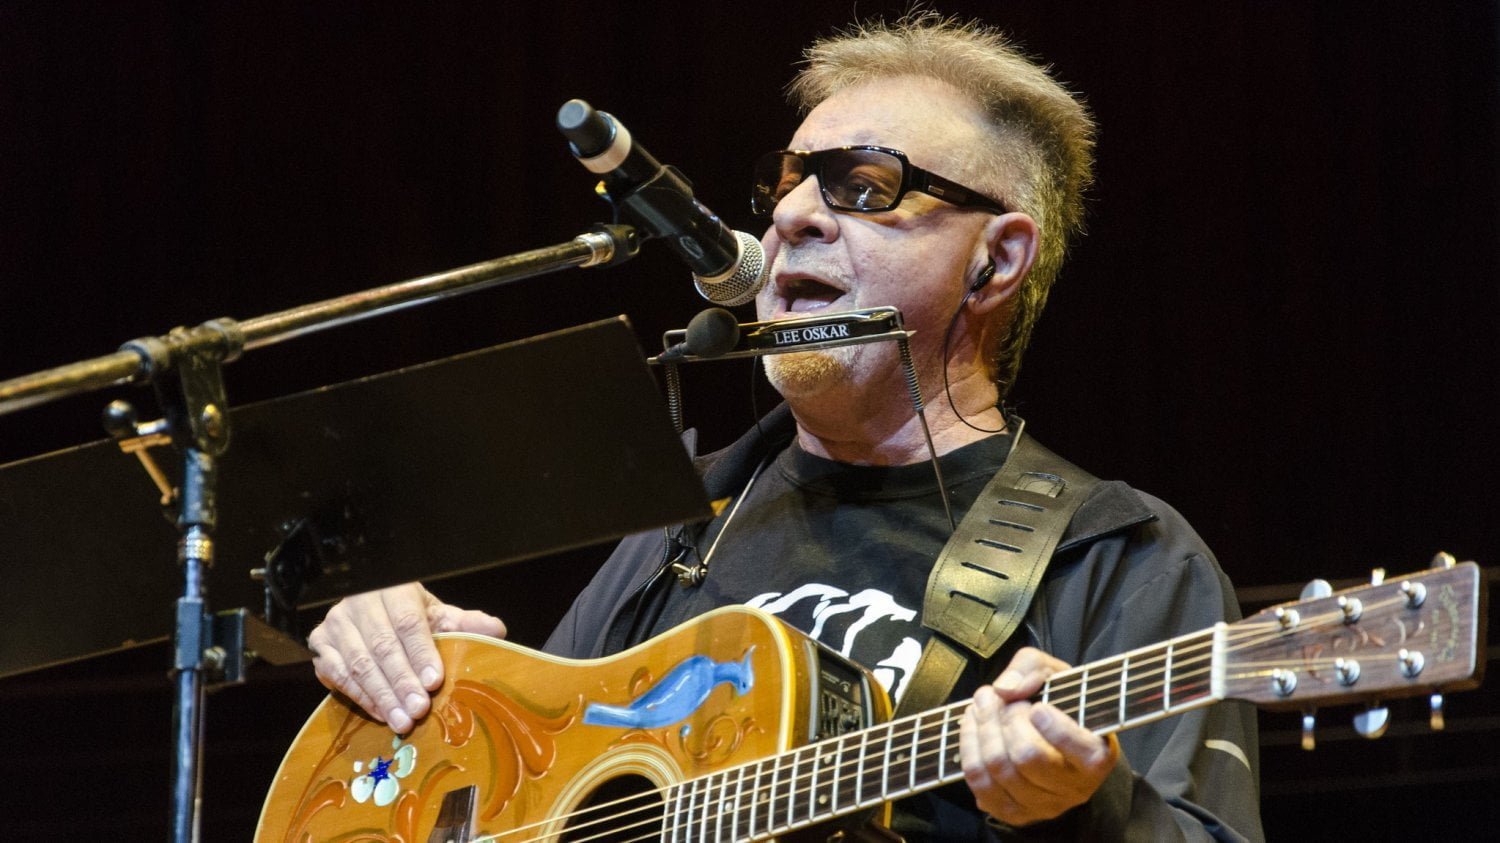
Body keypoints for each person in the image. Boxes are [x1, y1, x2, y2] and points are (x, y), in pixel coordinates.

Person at [309, 13, 1263, 840]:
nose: (794, 216)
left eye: (862, 185)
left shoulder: (1120, 554)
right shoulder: (688, 515)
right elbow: (528, 790)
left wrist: (1079, 808)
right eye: (791, 183)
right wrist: (418, 679)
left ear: (996, 258)